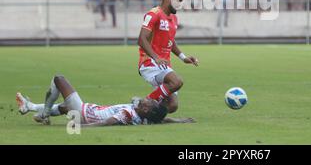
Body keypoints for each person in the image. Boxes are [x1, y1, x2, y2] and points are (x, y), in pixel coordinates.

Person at [16, 75, 194, 126]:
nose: (147, 100)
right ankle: (29, 106)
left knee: (59, 79)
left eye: (149, 103)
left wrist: (81, 127)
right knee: (62, 107)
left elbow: (109, 122)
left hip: (82, 113)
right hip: (85, 110)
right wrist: (180, 120)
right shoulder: (146, 118)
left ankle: (45, 114)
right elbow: (161, 120)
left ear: (146, 110)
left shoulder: (129, 113)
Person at [137, 0, 199, 114]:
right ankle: (142, 104)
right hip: (150, 62)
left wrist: (184, 58)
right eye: (179, 0)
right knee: (176, 82)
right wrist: (156, 57)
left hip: (163, 65)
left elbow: (170, 40)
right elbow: (141, 39)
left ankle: (142, 113)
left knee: (172, 106)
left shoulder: (173, 18)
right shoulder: (153, 14)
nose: (180, 4)